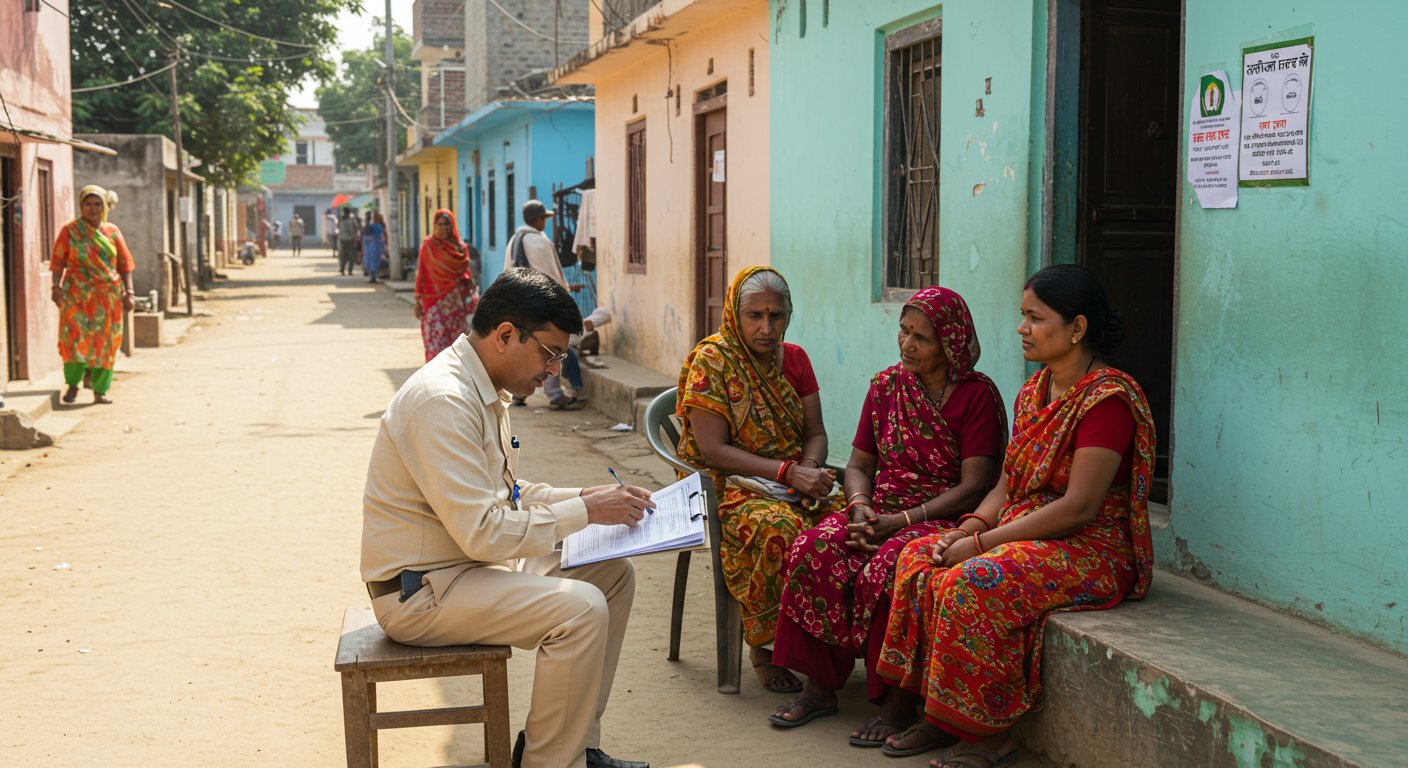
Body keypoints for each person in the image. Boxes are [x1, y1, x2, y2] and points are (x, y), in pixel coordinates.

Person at [361, 267, 653, 768]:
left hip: (463, 571)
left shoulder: (482, 388)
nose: (554, 369)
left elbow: (507, 494)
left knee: (610, 577)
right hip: (421, 592)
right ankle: (550, 763)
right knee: (579, 609)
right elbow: (483, 532)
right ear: (504, 335)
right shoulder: (443, 400)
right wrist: (585, 510)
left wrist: (587, 495)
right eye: (549, 353)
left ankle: (573, 746)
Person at [876, 264, 1156, 768]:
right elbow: (1007, 483)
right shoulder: (1035, 390)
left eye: (1035, 318)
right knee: (920, 556)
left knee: (973, 580)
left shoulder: (1107, 400)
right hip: (1027, 528)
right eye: (1022, 316)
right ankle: (935, 716)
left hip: (1089, 547)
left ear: (1077, 328)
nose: (1022, 328)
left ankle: (987, 735)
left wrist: (981, 546)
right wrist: (969, 528)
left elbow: (1079, 507)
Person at [768, 287, 1006, 745]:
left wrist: (901, 521)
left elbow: (975, 485)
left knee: (890, 568)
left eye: (922, 338)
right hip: (880, 507)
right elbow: (858, 466)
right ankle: (820, 687)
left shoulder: (976, 397)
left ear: (951, 343)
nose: (907, 344)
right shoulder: (886, 386)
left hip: (942, 514)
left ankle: (896, 702)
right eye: (903, 331)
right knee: (814, 546)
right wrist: (860, 507)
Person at [676, 265, 840, 693]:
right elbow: (714, 451)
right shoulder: (713, 361)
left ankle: (826, 646)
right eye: (755, 316)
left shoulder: (797, 360)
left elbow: (816, 433)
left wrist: (811, 467)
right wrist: (788, 472)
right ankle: (764, 649)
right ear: (735, 313)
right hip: (730, 487)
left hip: (794, 480)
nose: (767, 327)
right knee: (778, 530)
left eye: (776, 315)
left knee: (850, 526)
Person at [50, 185, 135, 405]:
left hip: (108, 297)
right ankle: (72, 386)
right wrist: (55, 287)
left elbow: (124, 264)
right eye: (88, 203)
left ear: (105, 206)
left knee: (105, 343)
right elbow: (58, 261)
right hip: (76, 296)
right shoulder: (70, 231)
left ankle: (100, 391)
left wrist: (130, 292)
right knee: (74, 341)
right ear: (81, 206)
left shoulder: (112, 232)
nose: (93, 208)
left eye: (98, 204)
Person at [504, 199, 587, 410]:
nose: (545, 223)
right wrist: (563, 298)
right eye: (544, 219)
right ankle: (555, 394)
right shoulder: (539, 241)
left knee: (524, 348)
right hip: (542, 306)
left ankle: (519, 392)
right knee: (550, 350)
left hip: (519, 304)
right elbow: (551, 278)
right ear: (540, 219)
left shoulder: (514, 240)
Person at [414, 209, 477, 362]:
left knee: (455, 345)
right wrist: (417, 301)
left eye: (446, 224)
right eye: (439, 224)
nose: (443, 227)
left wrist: (468, 281)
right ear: (434, 225)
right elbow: (421, 273)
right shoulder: (428, 246)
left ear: (452, 226)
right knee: (435, 342)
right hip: (434, 302)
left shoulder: (460, 249)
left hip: (455, 302)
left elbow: (466, 272)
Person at [361, 211, 387, 283]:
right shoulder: (379, 227)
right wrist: (384, 249)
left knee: (370, 262)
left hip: (369, 247)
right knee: (375, 262)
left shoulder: (369, 227)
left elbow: (365, 238)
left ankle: (372, 276)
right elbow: (382, 238)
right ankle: (373, 277)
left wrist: (364, 247)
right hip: (377, 247)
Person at [337, 208, 358, 276]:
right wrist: (355, 239)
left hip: (342, 240)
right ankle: (350, 270)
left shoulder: (340, 220)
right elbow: (355, 230)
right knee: (351, 256)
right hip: (350, 240)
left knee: (343, 255)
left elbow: (338, 229)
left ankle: (342, 269)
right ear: (349, 212)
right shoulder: (352, 220)